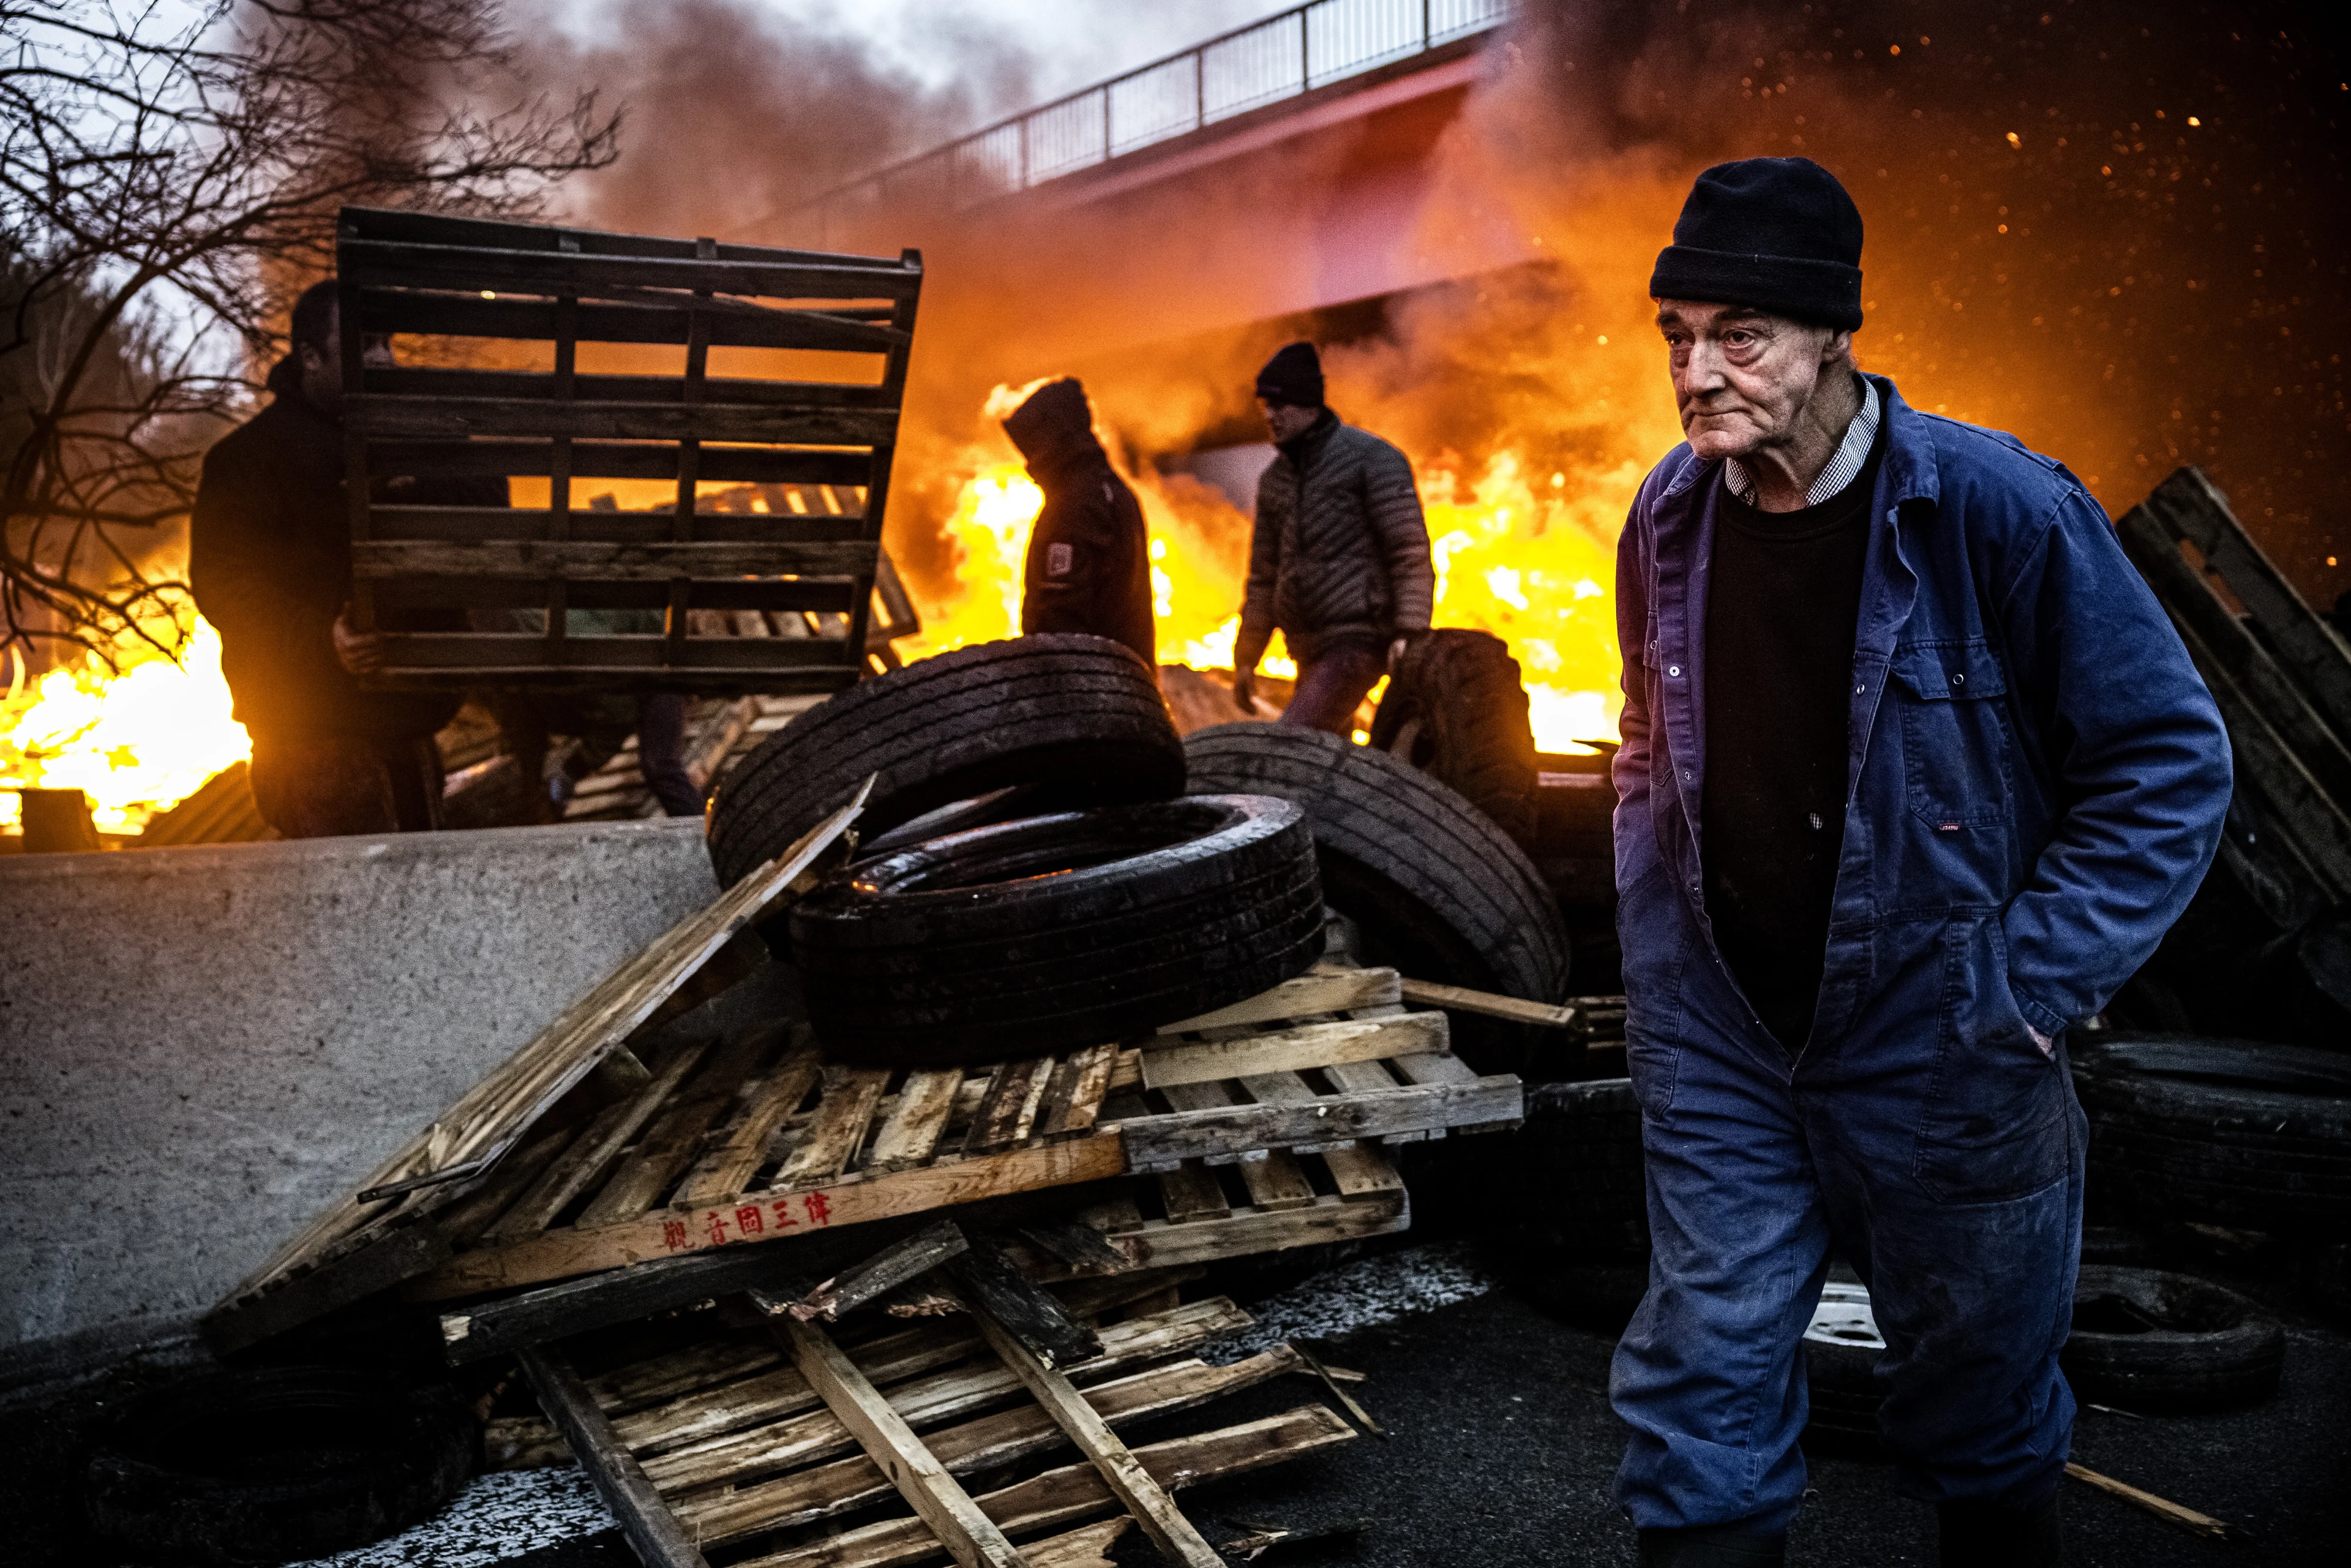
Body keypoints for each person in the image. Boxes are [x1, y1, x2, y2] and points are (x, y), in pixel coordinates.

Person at [1608, 157, 2232, 1568]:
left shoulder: (1995, 508)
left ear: (1832, 332)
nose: (1693, 373)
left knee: (1977, 1390)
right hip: (1722, 1034)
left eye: (1736, 335)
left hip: (1941, 1028)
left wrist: (2020, 983)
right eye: (1674, 336)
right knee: (1696, 1391)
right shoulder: (1666, 513)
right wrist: (1658, 979)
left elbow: (2166, 764)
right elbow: (1648, 750)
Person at [190, 280, 488, 838]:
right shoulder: (249, 461)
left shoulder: (411, 445)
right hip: (311, 742)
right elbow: (223, 586)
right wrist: (322, 639)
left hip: (409, 733)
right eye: (362, 344)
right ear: (310, 357)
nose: (382, 357)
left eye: (385, 341)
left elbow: (482, 525)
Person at [1231, 341, 1432, 732]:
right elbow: (1263, 577)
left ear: (1308, 403)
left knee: (1295, 744)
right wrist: (1247, 656)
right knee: (1322, 769)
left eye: (1279, 405)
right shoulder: (1275, 481)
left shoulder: (1371, 459)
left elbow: (1407, 550)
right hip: (1306, 650)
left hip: (1358, 642)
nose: (1269, 416)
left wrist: (1410, 631)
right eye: (1264, 407)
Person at [1002, 377, 1155, 667]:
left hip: (1084, 691)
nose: (1030, 460)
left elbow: (1058, 619)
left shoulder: (1072, 508)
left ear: (1054, 440)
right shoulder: (1114, 491)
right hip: (1123, 679)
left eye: (1034, 447)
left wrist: (1046, 682)